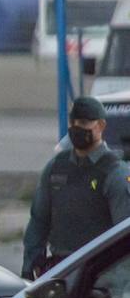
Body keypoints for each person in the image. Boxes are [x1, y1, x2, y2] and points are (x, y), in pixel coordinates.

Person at [23, 96, 130, 279]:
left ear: (101, 126)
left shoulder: (114, 173)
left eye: (84, 122)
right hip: (60, 270)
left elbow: (124, 236)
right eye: (73, 122)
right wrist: (30, 265)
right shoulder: (56, 167)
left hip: (101, 276)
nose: (77, 127)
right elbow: (38, 221)